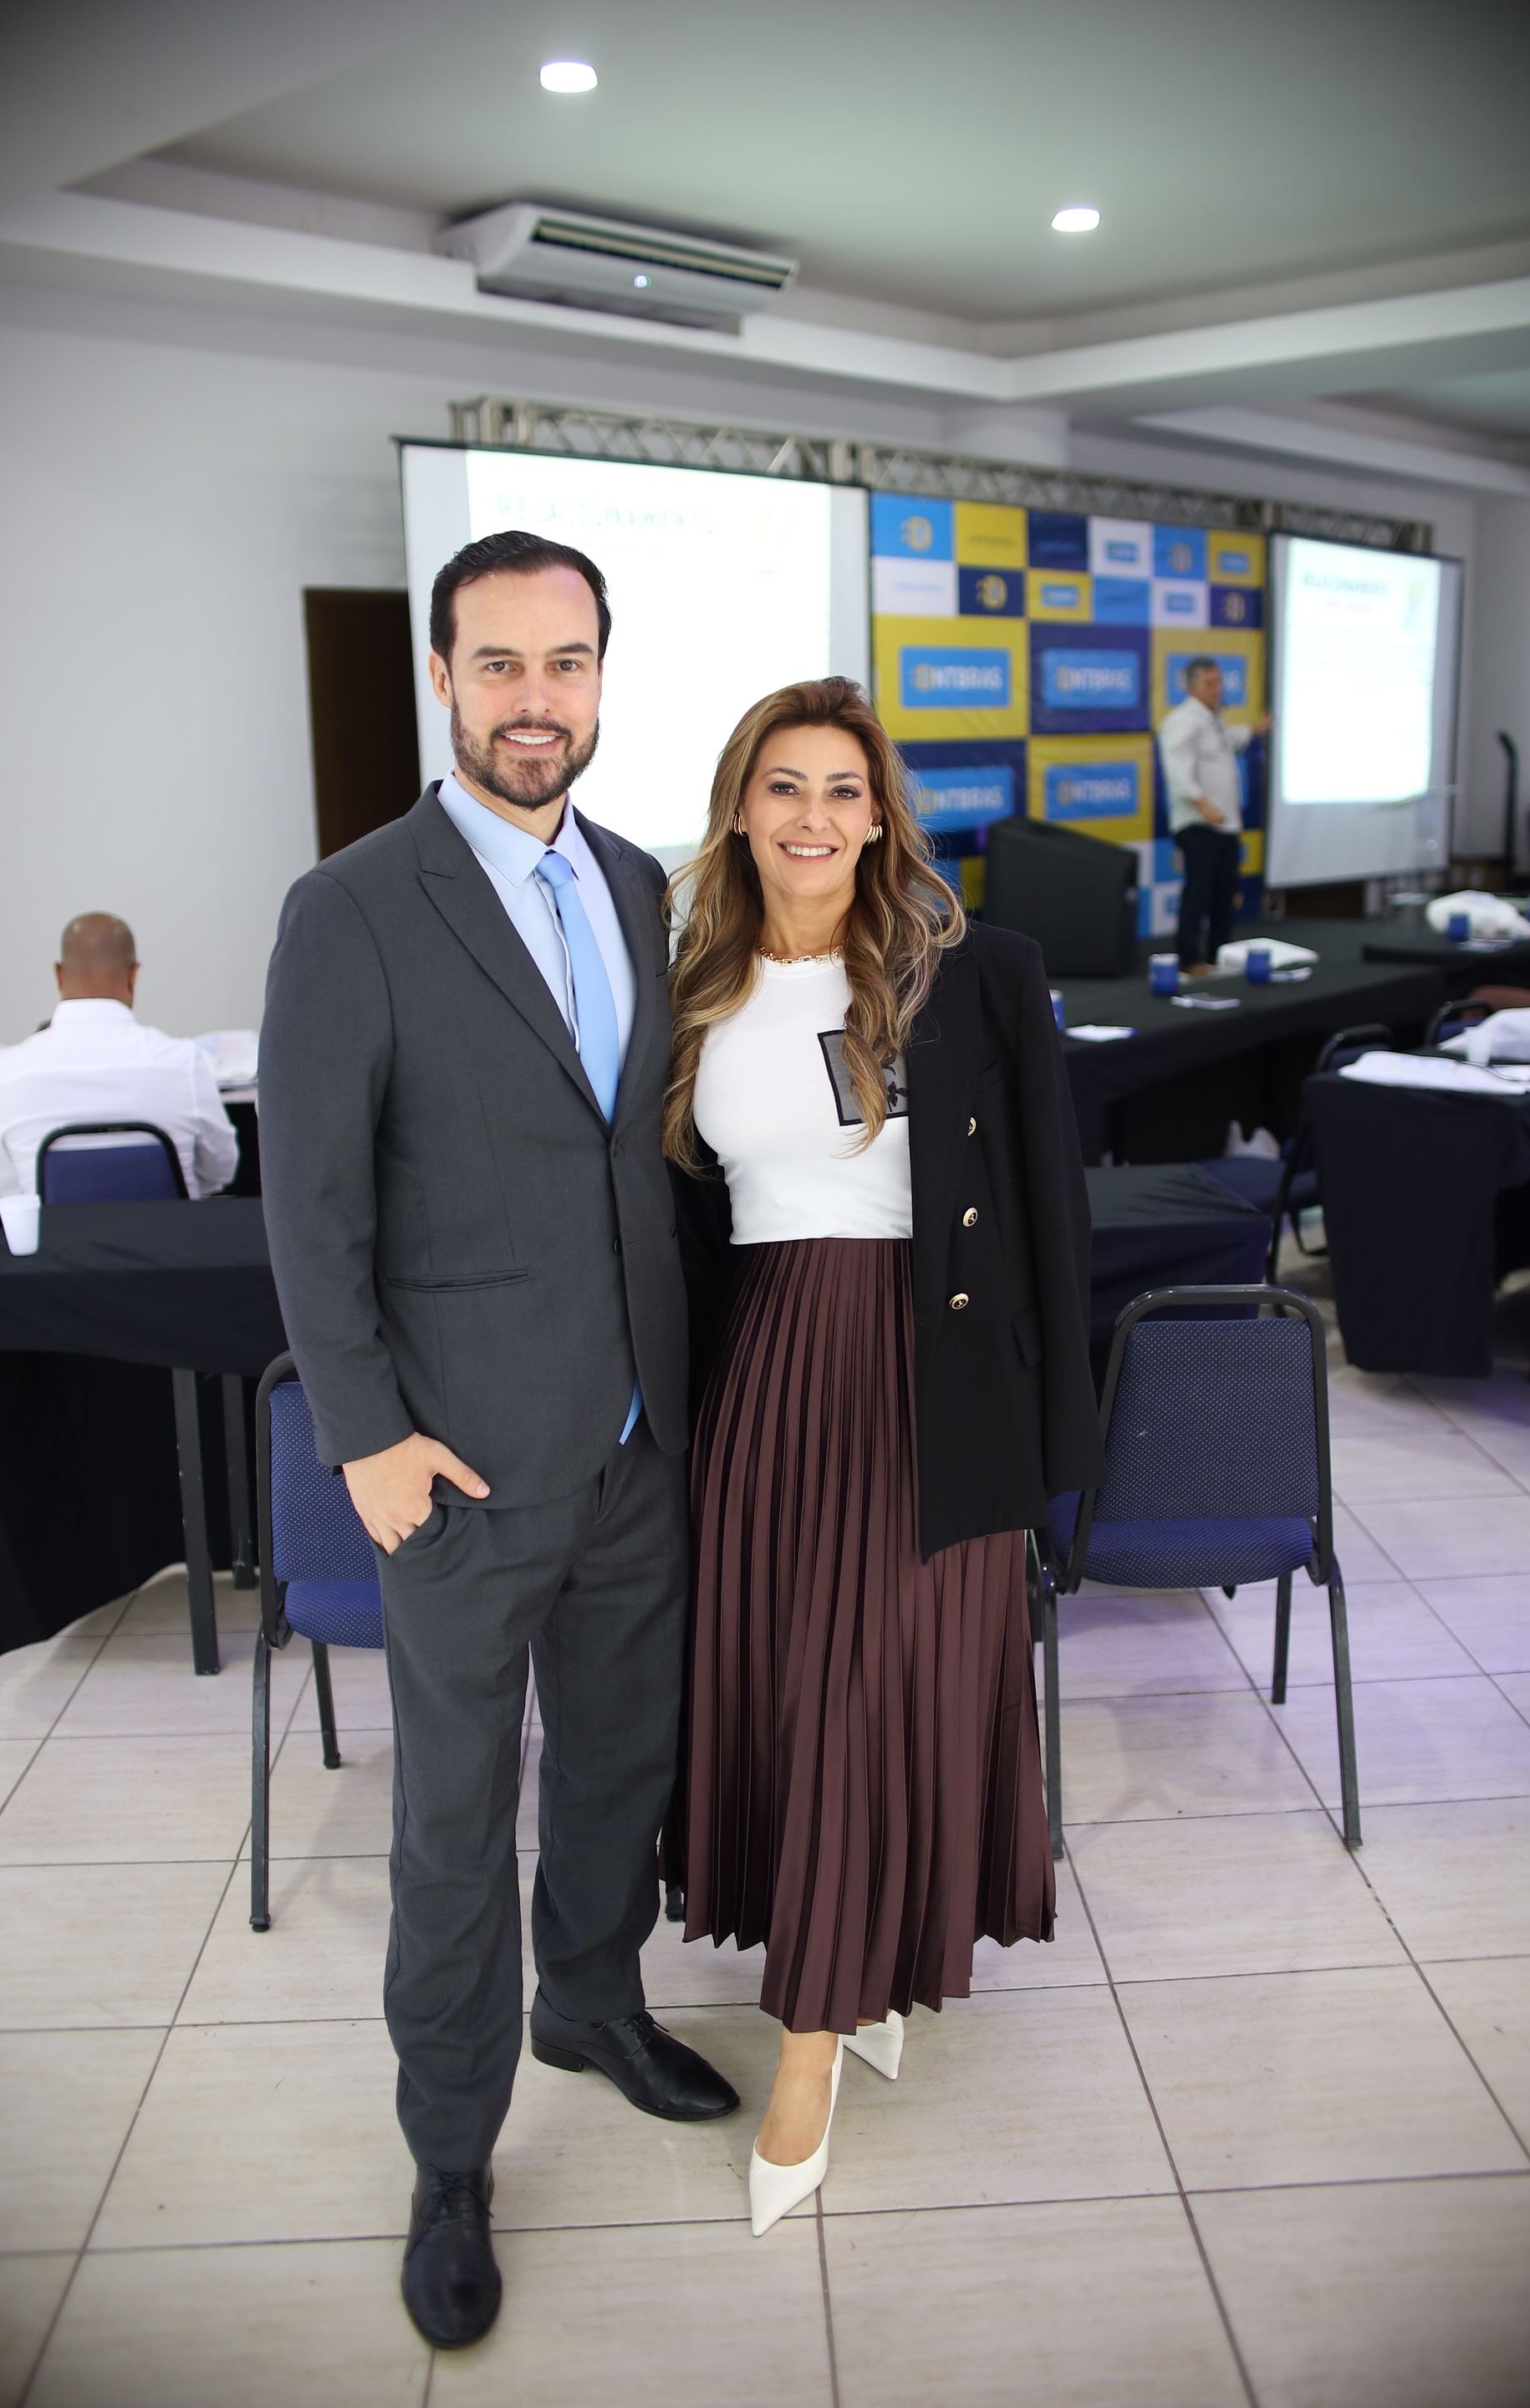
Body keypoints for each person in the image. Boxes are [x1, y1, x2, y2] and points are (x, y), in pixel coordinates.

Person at [259, 530, 737, 2354]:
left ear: (604, 678)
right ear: (444, 681)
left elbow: (643, 1161)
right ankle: (449, 2153)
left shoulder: (635, 884)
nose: (540, 699)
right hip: (452, 1467)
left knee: (619, 1763)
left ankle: (593, 2005)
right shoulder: (355, 906)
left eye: (570, 663)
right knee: (454, 1826)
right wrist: (367, 1437)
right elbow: (309, 1208)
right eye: (503, 664)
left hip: (634, 1443)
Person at [664, 676, 1106, 2237]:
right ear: (739, 806)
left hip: (931, 1381)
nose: (813, 818)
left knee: (873, 1692)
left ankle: (810, 2042)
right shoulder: (692, 987)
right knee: (800, 1691)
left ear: (882, 813)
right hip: (765, 1374)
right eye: (783, 786)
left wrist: (1058, 1454)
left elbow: (1051, 1217)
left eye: (844, 791)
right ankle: (872, 1972)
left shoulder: (971, 976)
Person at [0, 912, 239, 1199]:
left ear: (58, 974)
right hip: (169, 1241)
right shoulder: (183, 1062)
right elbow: (220, 1170)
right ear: (133, 975)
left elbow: (6, 1188)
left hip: (59, 1243)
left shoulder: (5, 1072)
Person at [1158, 658, 1272, 973]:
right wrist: (1201, 802)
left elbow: (1229, 741)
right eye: (1210, 683)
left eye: (1220, 682)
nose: (1217, 689)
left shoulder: (1214, 719)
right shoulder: (1182, 720)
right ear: (1191, 686)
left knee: (1224, 893)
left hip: (1225, 823)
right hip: (1198, 822)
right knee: (1199, 891)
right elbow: (1176, 767)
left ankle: (1218, 955)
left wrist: (1253, 729)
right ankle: (1189, 958)